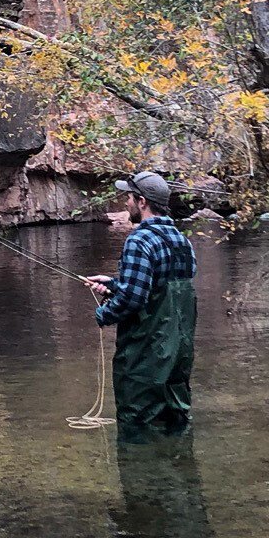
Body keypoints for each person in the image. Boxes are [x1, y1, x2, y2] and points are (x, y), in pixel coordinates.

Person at [83, 172, 199, 440]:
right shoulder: (183, 242)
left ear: (142, 201)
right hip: (178, 354)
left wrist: (104, 313)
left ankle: (142, 479)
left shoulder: (139, 240)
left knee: (138, 425)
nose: (126, 203)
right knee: (175, 419)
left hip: (146, 355)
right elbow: (157, 287)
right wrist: (114, 284)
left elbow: (134, 299)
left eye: (129, 197)